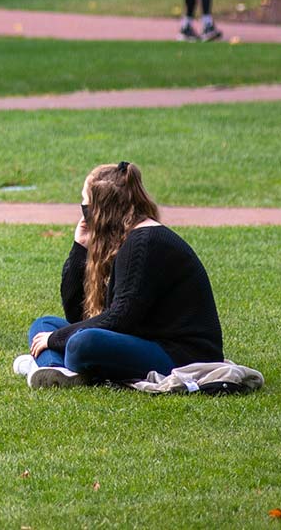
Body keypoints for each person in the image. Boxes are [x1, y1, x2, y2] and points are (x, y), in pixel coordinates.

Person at [17, 160, 225, 389]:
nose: (83, 213)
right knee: (44, 324)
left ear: (102, 209)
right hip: (143, 340)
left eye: (85, 205)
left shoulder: (144, 243)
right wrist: (80, 248)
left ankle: (50, 365)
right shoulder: (126, 239)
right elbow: (79, 316)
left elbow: (120, 318)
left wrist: (55, 340)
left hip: (180, 355)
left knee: (81, 343)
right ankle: (56, 370)